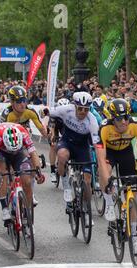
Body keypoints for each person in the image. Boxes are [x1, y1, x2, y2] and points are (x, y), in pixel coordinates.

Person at [96, 98, 137, 252]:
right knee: (105, 171)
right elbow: (101, 160)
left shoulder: (136, 126)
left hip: (126, 153)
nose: (123, 122)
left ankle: (134, 235)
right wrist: (107, 181)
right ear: (112, 118)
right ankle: (109, 202)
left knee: (132, 196)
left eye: (126, 117)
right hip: (110, 153)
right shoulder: (104, 128)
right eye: (119, 118)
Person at [49, 91, 99, 227]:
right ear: (74, 106)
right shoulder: (66, 110)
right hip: (67, 142)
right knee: (62, 155)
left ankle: (86, 211)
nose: (83, 112)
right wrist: (44, 113)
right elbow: (50, 112)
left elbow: (96, 144)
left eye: (86, 109)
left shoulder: (92, 120)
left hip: (83, 148)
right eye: (80, 108)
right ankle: (66, 187)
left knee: (88, 180)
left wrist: (100, 160)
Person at [0, 123, 45, 224]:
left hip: (19, 153)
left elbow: (33, 154)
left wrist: (38, 173)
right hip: (2, 153)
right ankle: (5, 208)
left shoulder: (24, 134)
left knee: (27, 177)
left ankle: (26, 211)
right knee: (3, 176)